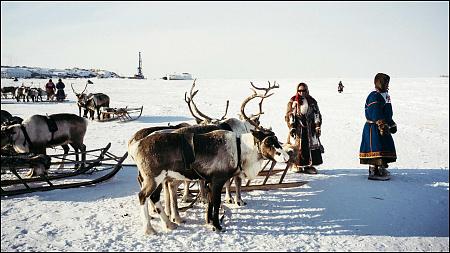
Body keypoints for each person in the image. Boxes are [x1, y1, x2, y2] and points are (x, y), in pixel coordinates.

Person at [359, 73, 397, 180]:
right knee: (376, 147)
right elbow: (375, 112)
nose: (387, 85)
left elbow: (387, 112)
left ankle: (381, 167)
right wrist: (381, 124)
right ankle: (374, 171)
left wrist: (391, 123)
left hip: (383, 127)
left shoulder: (386, 95)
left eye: (388, 83)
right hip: (374, 128)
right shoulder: (374, 96)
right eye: (385, 82)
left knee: (384, 146)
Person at [285, 82, 324, 174]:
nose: (301, 92)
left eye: (303, 90)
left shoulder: (312, 101)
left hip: (310, 129)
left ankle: (308, 166)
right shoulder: (293, 101)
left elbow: (317, 114)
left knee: (309, 147)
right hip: (297, 129)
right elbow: (288, 115)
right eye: (299, 90)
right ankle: (296, 165)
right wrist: (292, 126)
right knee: (297, 147)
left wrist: (317, 126)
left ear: (307, 90)